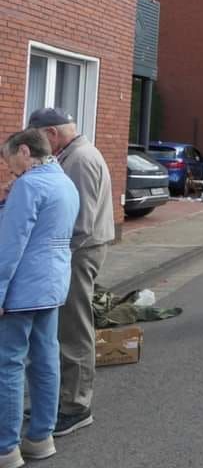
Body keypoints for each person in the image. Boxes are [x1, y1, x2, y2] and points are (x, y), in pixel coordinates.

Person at [26, 108, 113, 437]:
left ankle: (76, 406)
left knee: (73, 329)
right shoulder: (76, 154)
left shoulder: (79, 159)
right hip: (77, 251)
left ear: (50, 134)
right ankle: (57, 400)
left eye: (37, 139)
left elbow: (80, 223)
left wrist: (53, 257)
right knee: (62, 328)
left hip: (77, 253)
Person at [0, 128, 79, 465]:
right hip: (53, 284)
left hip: (22, 287)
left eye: (9, 162)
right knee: (46, 359)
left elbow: (11, 244)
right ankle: (41, 437)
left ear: (24, 151)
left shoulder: (29, 185)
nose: (10, 170)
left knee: (9, 364)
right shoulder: (64, 182)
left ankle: (6, 447)